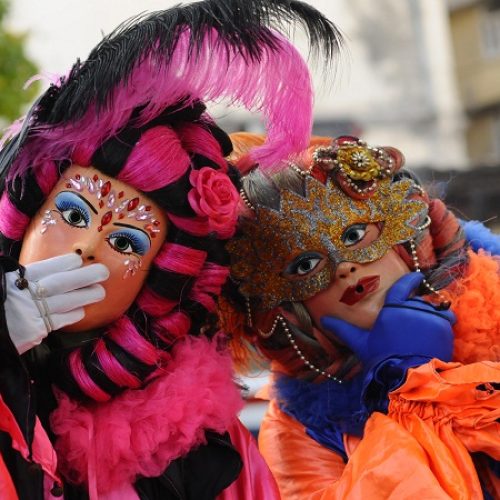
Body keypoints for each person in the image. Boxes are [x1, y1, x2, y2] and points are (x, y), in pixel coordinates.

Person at [0, 1, 343, 498]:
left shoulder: (194, 439)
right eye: (73, 214)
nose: (85, 249)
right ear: (28, 213)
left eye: (125, 242)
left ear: (158, 277)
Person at [222, 133, 500, 499]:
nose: (345, 268)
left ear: (406, 232)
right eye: (306, 264)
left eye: (354, 234)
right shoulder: (298, 429)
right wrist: (405, 388)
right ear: (279, 308)